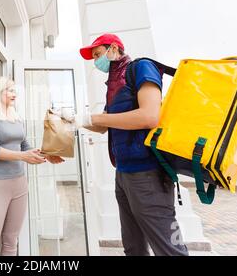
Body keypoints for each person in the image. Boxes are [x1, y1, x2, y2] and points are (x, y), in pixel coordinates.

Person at [77, 34, 189, 256]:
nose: (96, 61)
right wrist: (74, 120)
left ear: (114, 49)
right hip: (123, 173)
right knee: (133, 247)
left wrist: (94, 119)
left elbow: (149, 116)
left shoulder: (141, 68)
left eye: (98, 54)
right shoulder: (114, 85)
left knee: (169, 249)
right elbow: (103, 125)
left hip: (148, 174)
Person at [0, 76, 63, 256]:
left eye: (14, 90)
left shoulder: (16, 117)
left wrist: (47, 154)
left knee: (11, 242)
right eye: (9, 90)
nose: (14, 94)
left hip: (19, 185)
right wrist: (23, 157)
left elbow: (25, 146)